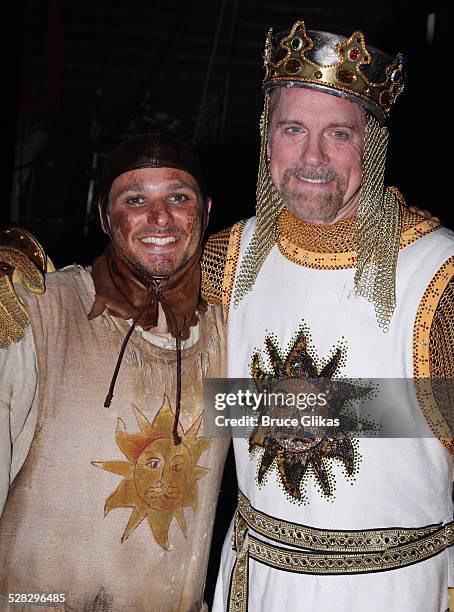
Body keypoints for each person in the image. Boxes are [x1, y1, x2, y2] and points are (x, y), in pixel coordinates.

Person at [201, 19, 454, 612]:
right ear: (268, 140)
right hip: (253, 584)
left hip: (393, 592)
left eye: (338, 133)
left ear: (372, 145)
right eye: (294, 129)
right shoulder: (228, 256)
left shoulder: (438, 273)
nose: (312, 157)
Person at [0, 133, 229, 611]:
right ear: (106, 217)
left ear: (205, 212)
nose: (160, 217)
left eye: (178, 198)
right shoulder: (43, 311)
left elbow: (312, 421)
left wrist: (426, 405)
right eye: (136, 199)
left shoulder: (226, 338)